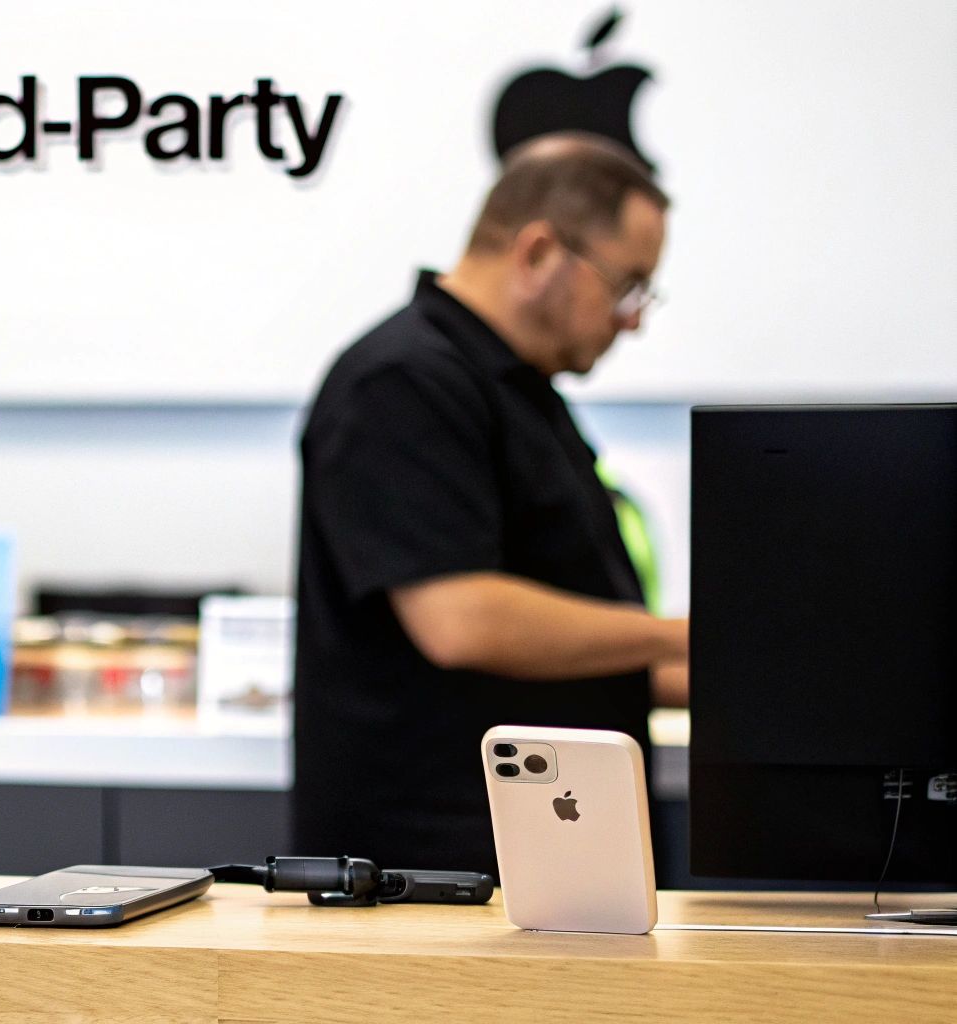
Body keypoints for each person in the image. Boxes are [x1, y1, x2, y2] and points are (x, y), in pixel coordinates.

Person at [291, 133, 689, 875]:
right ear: (539, 253)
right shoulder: (401, 382)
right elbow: (463, 621)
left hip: (537, 848)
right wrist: (674, 636)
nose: (632, 318)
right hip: (435, 868)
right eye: (626, 285)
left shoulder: (518, 390)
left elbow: (583, 632)